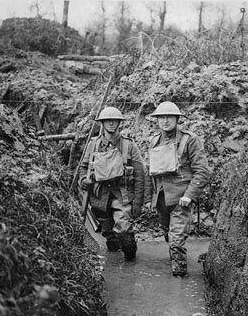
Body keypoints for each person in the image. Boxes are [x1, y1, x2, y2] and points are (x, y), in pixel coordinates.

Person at [144, 101, 210, 276]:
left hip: (182, 200)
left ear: (177, 119)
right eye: (161, 117)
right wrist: (150, 198)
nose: (165, 121)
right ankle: (175, 255)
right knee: (168, 234)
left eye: (169, 117)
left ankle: (179, 277)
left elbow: (202, 171)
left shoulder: (190, 140)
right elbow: (151, 172)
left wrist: (189, 195)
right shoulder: (154, 141)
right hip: (162, 200)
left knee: (176, 239)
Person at [79, 107, 145, 261]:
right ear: (101, 123)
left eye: (114, 120)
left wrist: (138, 203)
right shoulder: (93, 144)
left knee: (124, 229)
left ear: (119, 123)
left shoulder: (129, 145)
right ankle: (114, 261)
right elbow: (83, 168)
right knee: (109, 234)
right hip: (99, 196)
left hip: (121, 195)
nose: (110, 123)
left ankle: (130, 258)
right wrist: (84, 180)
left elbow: (140, 175)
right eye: (107, 120)